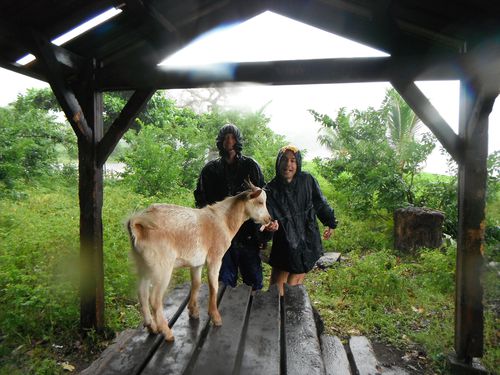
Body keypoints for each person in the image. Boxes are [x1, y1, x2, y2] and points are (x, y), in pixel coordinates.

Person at [194, 124, 266, 291]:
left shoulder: (250, 166)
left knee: (254, 282)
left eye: (232, 137)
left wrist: (262, 235)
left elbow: (261, 199)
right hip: (221, 235)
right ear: (220, 141)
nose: (229, 141)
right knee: (223, 282)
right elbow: (202, 200)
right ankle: (223, 314)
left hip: (247, 234)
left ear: (238, 140)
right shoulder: (210, 169)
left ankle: (255, 314)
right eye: (226, 137)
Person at [263, 145, 337, 295]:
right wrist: (268, 227)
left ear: (298, 164)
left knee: (294, 285)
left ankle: (290, 312)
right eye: (284, 160)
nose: (288, 164)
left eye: (292, 161)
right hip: (285, 244)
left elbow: (320, 203)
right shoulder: (269, 190)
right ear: (278, 162)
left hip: (307, 239)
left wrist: (330, 222)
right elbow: (263, 218)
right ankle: (276, 314)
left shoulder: (307, 180)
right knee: (276, 289)